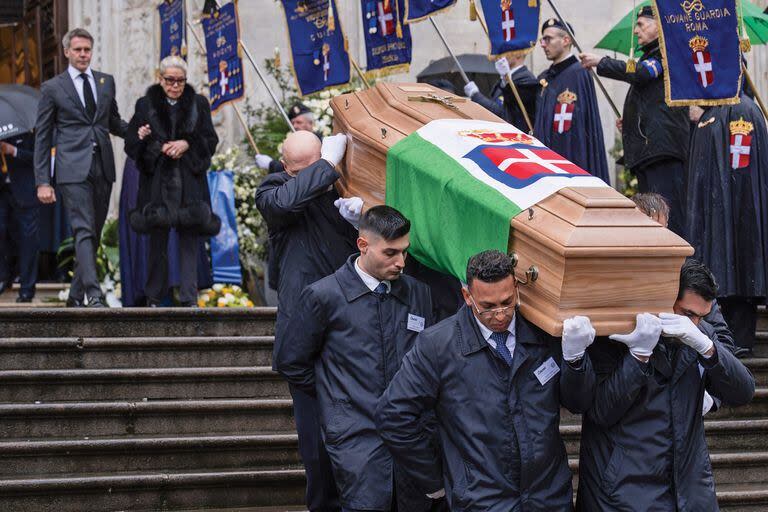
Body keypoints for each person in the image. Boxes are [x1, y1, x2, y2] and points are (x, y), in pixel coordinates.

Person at [376, 249, 594, 510]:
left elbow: (578, 403)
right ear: (467, 296)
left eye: (507, 302)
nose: (500, 315)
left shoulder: (544, 333)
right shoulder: (437, 346)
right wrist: (435, 480)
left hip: (547, 498)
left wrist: (575, 360)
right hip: (481, 501)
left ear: (516, 287)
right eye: (488, 307)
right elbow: (392, 415)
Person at [277, 206, 443, 512]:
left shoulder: (419, 293)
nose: (401, 262)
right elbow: (290, 361)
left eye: (405, 252)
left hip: (413, 441)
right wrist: (337, 398)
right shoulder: (322, 295)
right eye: (390, 253)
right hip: (356, 439)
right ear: (363, 245)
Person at [573, 260, 755, 510]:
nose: (693, 324)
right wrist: (638, 357)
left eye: (701, 317)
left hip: (690, 490)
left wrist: (708, 348)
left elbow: (744, 391)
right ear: (664, 298)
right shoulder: (617, 331)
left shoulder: (699, 333)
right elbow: (601, 411)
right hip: (627, 492)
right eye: (687, 313)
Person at [255, 131, 356, 512]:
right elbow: (286, 202)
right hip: (303, 335)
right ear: (285, 166)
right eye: (297, 169)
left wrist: (363, 218)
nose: (303, 175)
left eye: (312, 166)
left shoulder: (343, 187)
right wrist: (327, 166)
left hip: (347, 327)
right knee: (315, 448)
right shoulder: (275, 188)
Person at [33, 28, 127, 307]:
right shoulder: (52, 88)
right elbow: (42, 136)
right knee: (83, 229)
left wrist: (139, 132)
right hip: (71, 169)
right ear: (66, 52)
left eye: (87, 49)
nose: (83, 54)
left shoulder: (105, 82)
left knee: (93, 234)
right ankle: (94, 295)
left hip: (103, 166)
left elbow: (114, 122)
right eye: (78, 50)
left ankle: (74, 297)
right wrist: (42, 181)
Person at [580, 6, 689, 237]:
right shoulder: (650, 56)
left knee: (667, 217)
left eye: (641, 24)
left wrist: (602, 62)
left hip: (662, 151)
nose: (636, 31)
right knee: (651, 215)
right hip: (649, 153)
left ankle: (680, 268)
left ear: (659, 25)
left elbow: (643, 74)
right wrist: (629, 121)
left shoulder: (666, 52)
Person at [124, 55, 220, 307]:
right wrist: (146, 139)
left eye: (180, 81)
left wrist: (186, 143)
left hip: (189, 181)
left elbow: (210, 140)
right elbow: (131, 145)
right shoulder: (145, 105)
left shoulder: (199, 103)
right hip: (157, 183)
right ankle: (154, 297)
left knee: (189, 240)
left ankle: (189, 297)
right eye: (170, 80)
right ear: (160, 78)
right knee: (157, 243)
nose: (175, 85)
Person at [686, 91, 768, 354]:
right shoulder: (710, 114)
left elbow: (741, 169)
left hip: (739, 214)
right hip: (716, 214)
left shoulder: (742, 110)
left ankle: (741, 339)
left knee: (742, 273)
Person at [534, 18, 610, 184]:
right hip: (546, 161)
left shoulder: (579, 73)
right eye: (542, 39)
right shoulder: (545, 78)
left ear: (566, 40)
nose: (543, 44)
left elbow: (580, 127)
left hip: (573, 159)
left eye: (548, 39)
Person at [0, 131, 40, 302]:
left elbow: (39, 158)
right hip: (2, 192)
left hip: (25, 191)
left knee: (28, 239)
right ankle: (3, 277)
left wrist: (12, 150)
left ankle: (27, 288)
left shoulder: (26, 129)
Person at [464, 53, 539, 132]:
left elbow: (503, 112)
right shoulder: (507, 77)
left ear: (518, 55)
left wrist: (476, 95)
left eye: (506, 51)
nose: (500, 55)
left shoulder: (525, 78)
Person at [255, 102, 321, 175]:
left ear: (310, 123)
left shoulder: (318, 142)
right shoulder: (291, 141)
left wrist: (270, 164)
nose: (295, 126)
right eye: (292, 123)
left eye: (299, 122)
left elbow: (299, 166)